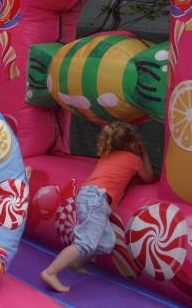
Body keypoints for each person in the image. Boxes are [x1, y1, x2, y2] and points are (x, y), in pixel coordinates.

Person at [40, 121, 153, 293]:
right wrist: (143, 154)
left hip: (88, 196)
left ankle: (75, 263)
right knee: (85, 243)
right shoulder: (133, 159)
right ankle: (50, 272)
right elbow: (148, 177)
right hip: (97, 200)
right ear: (132, 143)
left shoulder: (107, 156)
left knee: (107, 243)